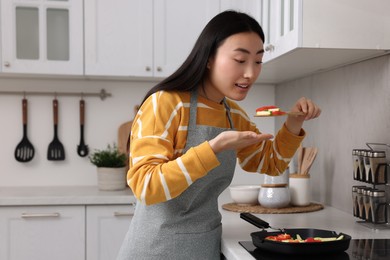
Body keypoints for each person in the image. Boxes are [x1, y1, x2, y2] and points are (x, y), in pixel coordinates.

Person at [117, 10, 321, 260]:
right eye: (240, 60)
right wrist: (212, 149)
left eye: (257, 61)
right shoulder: (165, 104)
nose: (251, 73)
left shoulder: (233, 115)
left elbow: (271, 163)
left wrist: (293, 123)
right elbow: (145, 187)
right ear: (209, 58)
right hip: (155, 249)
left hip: (205, 246)